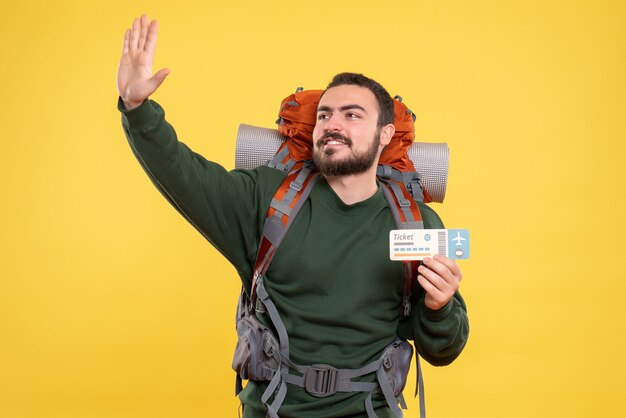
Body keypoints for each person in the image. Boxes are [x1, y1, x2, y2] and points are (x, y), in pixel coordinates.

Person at [117, 15, 469, 418]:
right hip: (273, 410)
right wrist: (137, 107)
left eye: (352, 115)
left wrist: (440, 305)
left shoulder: (417, 223)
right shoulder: (266, 198)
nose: (332, 125)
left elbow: (444, 350)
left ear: (385, 134)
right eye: (324, 115)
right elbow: (184, 175)